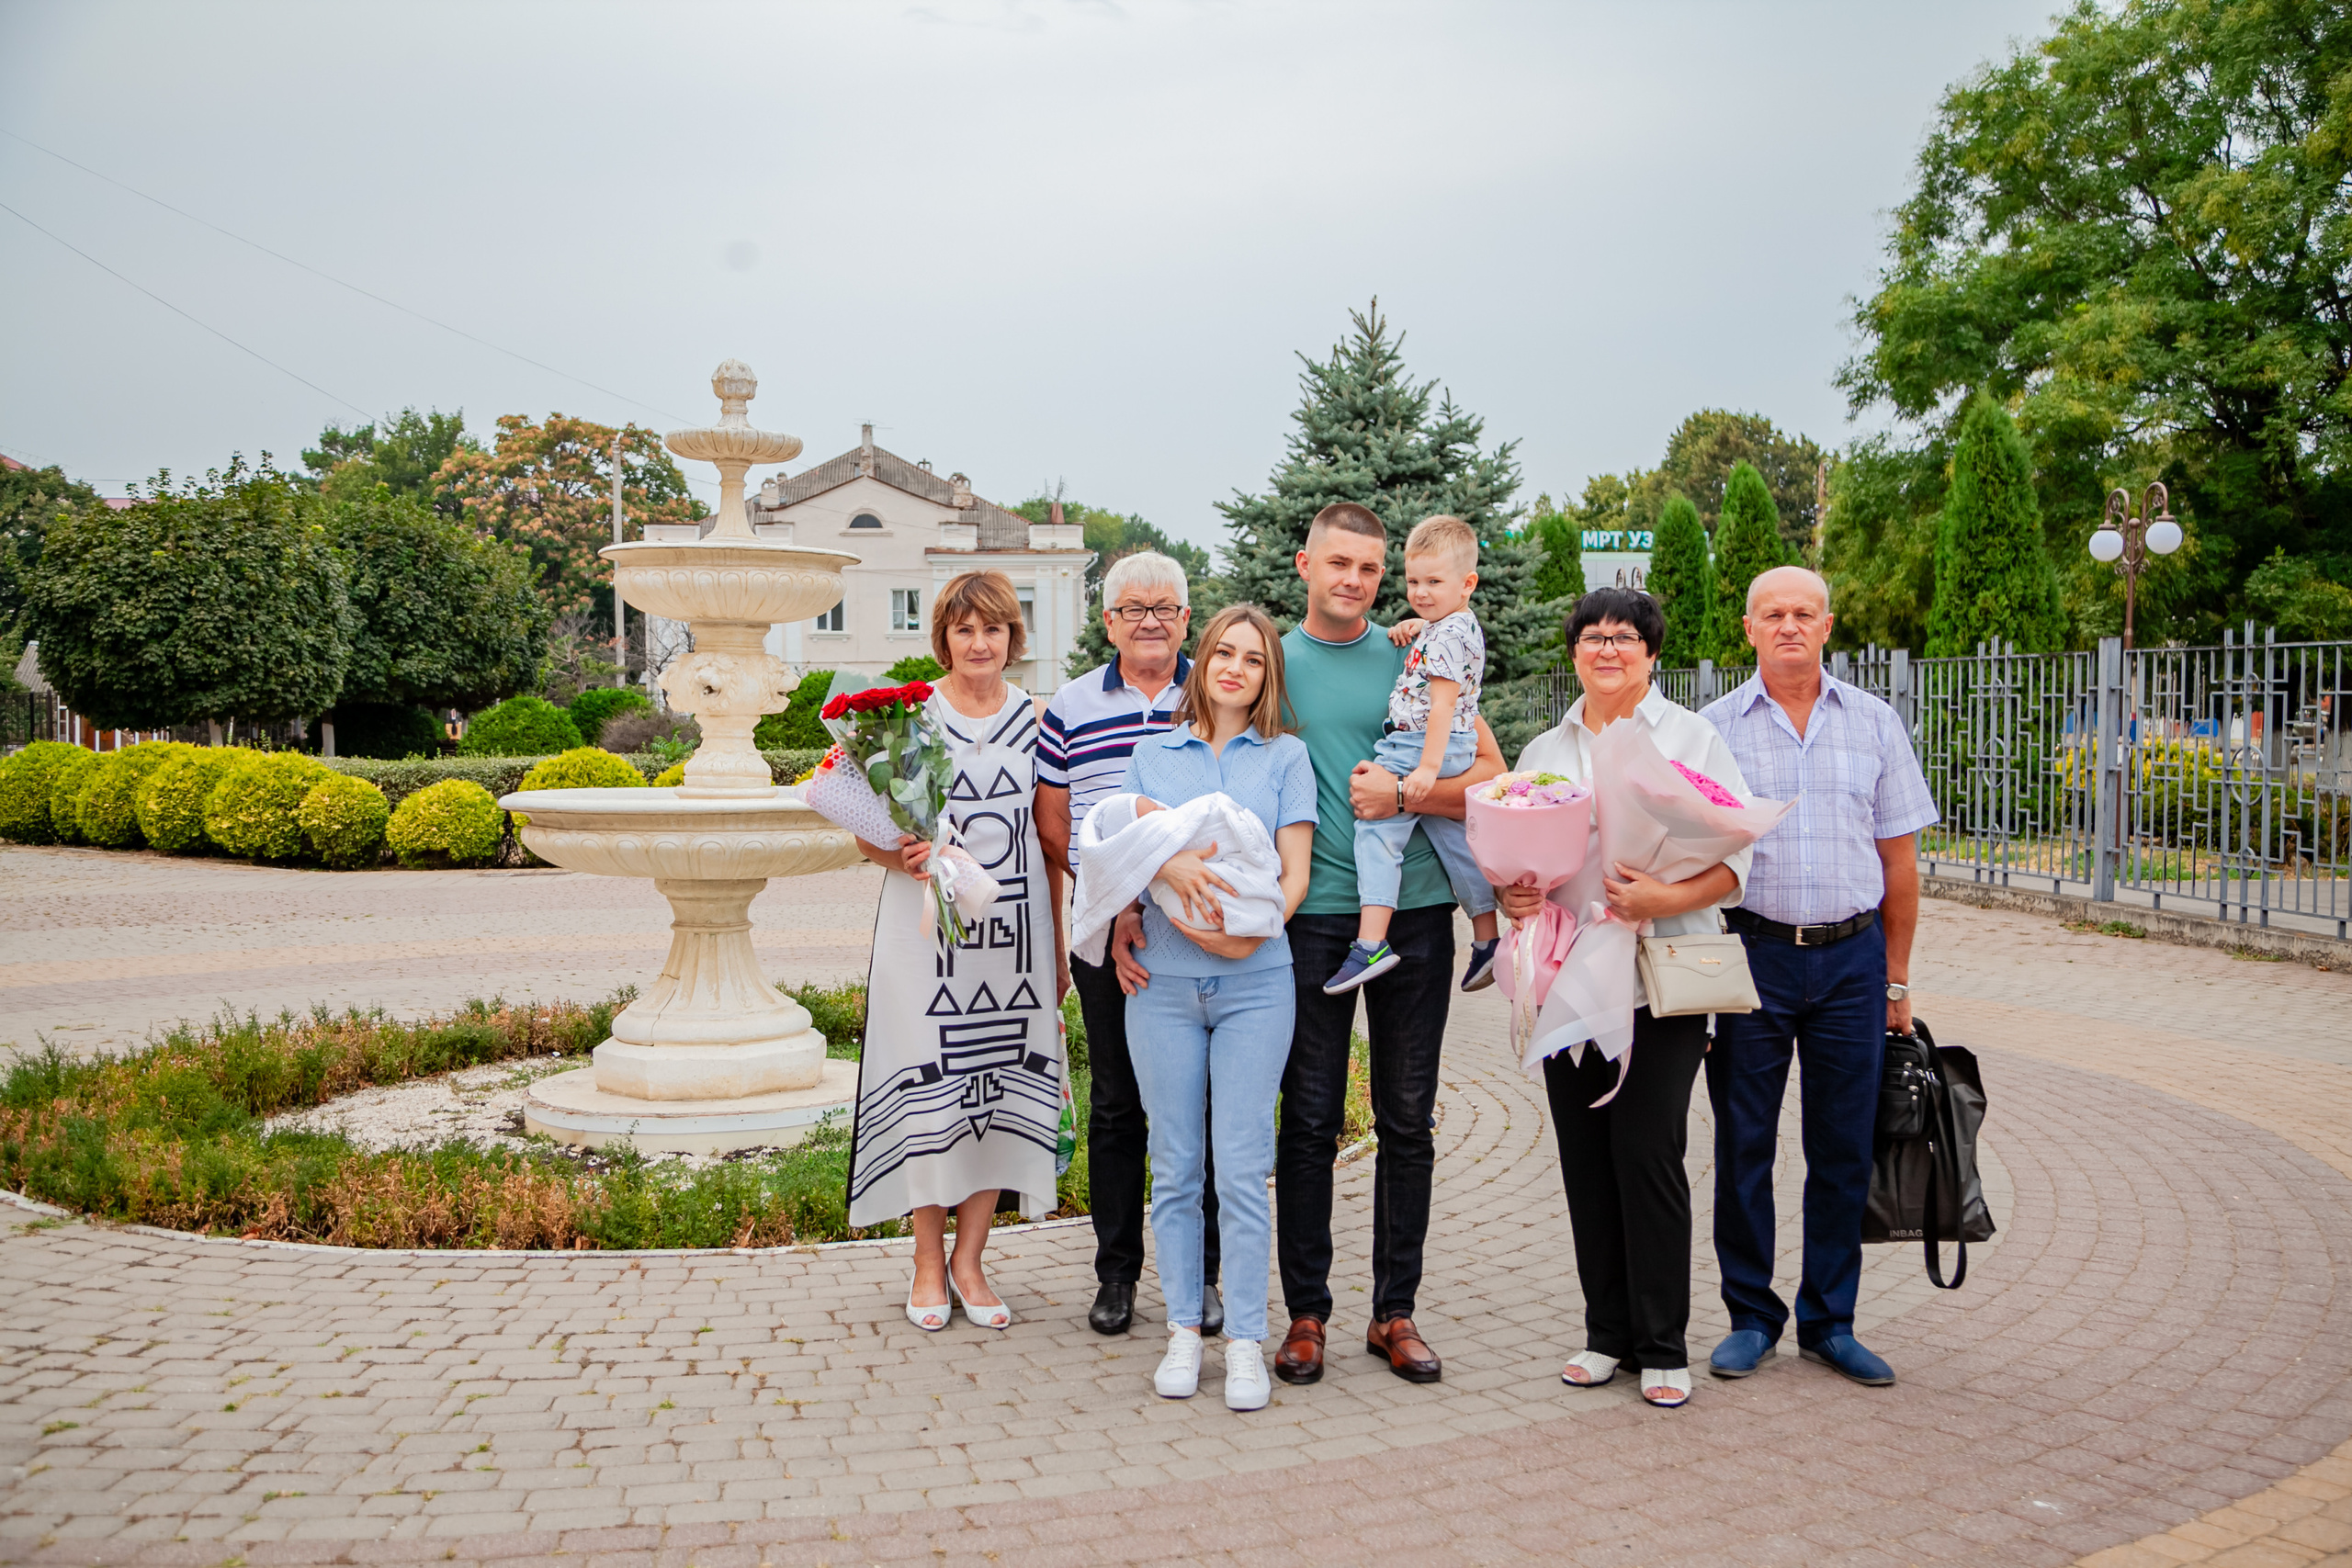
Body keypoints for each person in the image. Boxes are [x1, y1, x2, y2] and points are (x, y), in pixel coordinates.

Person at [1253, 501, 1504, 1388]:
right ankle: (1307, 1314)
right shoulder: (1270, 662)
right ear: (1306, 564)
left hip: (1416, 913)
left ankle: (1395, 1311)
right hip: (1314, 917)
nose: (1355, 579)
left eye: (1369, 566)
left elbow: (1490, 777)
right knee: (1311, 1120)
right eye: (1340, 564)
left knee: (1407, 1119)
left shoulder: (1421, 646)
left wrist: (1404, 799)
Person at [1494, 587, 1755, 1410]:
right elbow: (1519, 855)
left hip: (1660, 969)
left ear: (1650, 653)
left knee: (1648, 1152)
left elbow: (1736, 863)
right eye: (1593, 636)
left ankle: (1663, 1343)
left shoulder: (1693, 737)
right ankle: (1606, 1333)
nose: (1607, 649)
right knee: (1585, 1157)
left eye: (1625, 638)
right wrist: (1516, 898)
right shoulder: (1547, 744)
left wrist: (1658, 900)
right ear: (1574, 649)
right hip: (1569, 972)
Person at [1699, 565, 1939, 1388]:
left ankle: (1830, 1320)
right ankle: (1751, 1315)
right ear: (1749, 628)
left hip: (1851, 961)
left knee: (1842, 1147)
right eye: (1774, 613)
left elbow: (1899, 861)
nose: (1790, 624)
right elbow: (1686, 851)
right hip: (1751, 956)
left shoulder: (1873, 723)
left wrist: (1896, 980)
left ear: (1829, 626)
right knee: (1744, 1144)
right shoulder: (1713, 730)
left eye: (1805, 612)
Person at [1108, 604, 1317, 1411]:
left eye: (1254, 659)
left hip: (1257, 983)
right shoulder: (1152, 753)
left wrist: (1247, 937)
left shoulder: (1286, 758)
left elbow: (1294, 872)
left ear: (1268, 675)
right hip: (1160, 982)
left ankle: (1243, 1343)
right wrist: (1154, 891)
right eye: (1224, 653)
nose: (1235, 668)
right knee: (1176, 1163)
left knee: (1240, 1164)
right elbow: (1123, 853)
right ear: (1203, 660)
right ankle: (1184, 1331)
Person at [846, 570, 1065, 1334]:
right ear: (944, 636)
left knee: (996, 1086)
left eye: (995, 629)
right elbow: (867, 831)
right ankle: (926, 1260)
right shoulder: (910, 717)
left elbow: (1050, 841)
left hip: (1014, 939)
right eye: (966, 629)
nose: (980, 643)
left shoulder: (1037, 720)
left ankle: (972, 1260)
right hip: (925, 939)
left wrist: (1059, 950)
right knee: (932, 1091)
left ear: (1013, 639)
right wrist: (898, 856)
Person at [1035, 552, 1226, 1338]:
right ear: (1108, 621)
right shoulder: (1071, 706)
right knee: (1118, 1108)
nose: (1151, 619)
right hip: (1105, 930)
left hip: (1193, 930)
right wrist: (1111, 887)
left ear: (1186, 617)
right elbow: (1053, 820)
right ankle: (1116, 1275)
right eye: (1133, 607)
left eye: (1166, 606)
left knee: (1199, 1109)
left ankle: (1203, 1278)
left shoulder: (1211, 690)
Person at [1324, 514, 1504, 997]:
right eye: (1415, 581)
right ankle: (1488, 939)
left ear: (1467, 584)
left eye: (1435, 583)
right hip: (1454, 747)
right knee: (1456, 845)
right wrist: (1416, 625)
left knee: (1377, 832)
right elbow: (1441, 644)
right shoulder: (1450, 625)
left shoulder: (1444, 635)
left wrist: (1422, 772)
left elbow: (1442, 705)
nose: (1421, 593)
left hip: (1418, 744)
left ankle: (1371, 943)